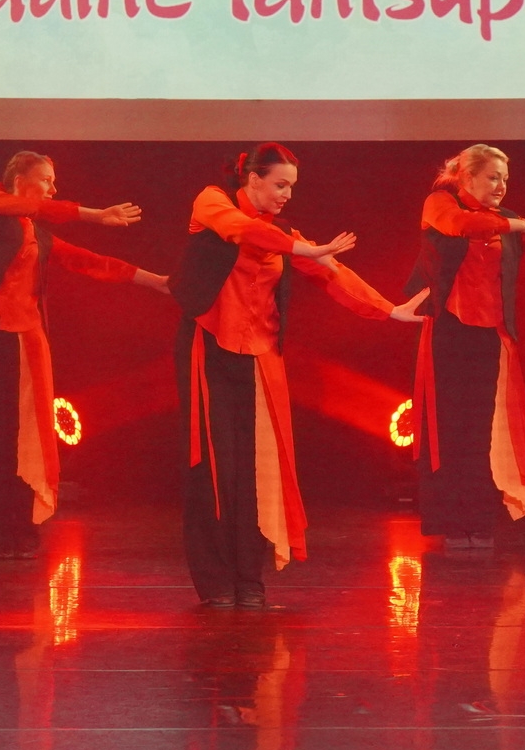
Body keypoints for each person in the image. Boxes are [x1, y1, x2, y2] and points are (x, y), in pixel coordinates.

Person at [170, 142, 428, 609]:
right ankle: (215, 582)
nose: (287, 194)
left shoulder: (285, 233)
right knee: (213, 467)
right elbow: (239, 229)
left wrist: (389, 310)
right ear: (253, 179)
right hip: (209, 347)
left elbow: (333, 273)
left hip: (261, 356)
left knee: (258, 469)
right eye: (280, 184)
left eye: (291, 187)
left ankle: (249, 579)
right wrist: (303, 247)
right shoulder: (213, 202)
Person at [0, 151, 168, 560]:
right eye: (47, 179)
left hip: (28, 334)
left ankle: (24, 521)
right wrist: (93, 214)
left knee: (31, 431)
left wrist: (154, 280)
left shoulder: (38, 235)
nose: (53, 188)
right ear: (20, 179)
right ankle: (5, 525)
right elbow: (34, 207)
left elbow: (89, 262)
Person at [404, 144, 525, 550]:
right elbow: (460, 225)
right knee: (449, 429)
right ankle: (452, 523)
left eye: (505, 179)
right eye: (493, 177)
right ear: (467, 177)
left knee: (480, 432)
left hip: (488, 334)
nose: (501, 185)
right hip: (448, 330)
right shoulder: (440, 203)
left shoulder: (508, 220)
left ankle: (479, 521)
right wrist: (518, 225)